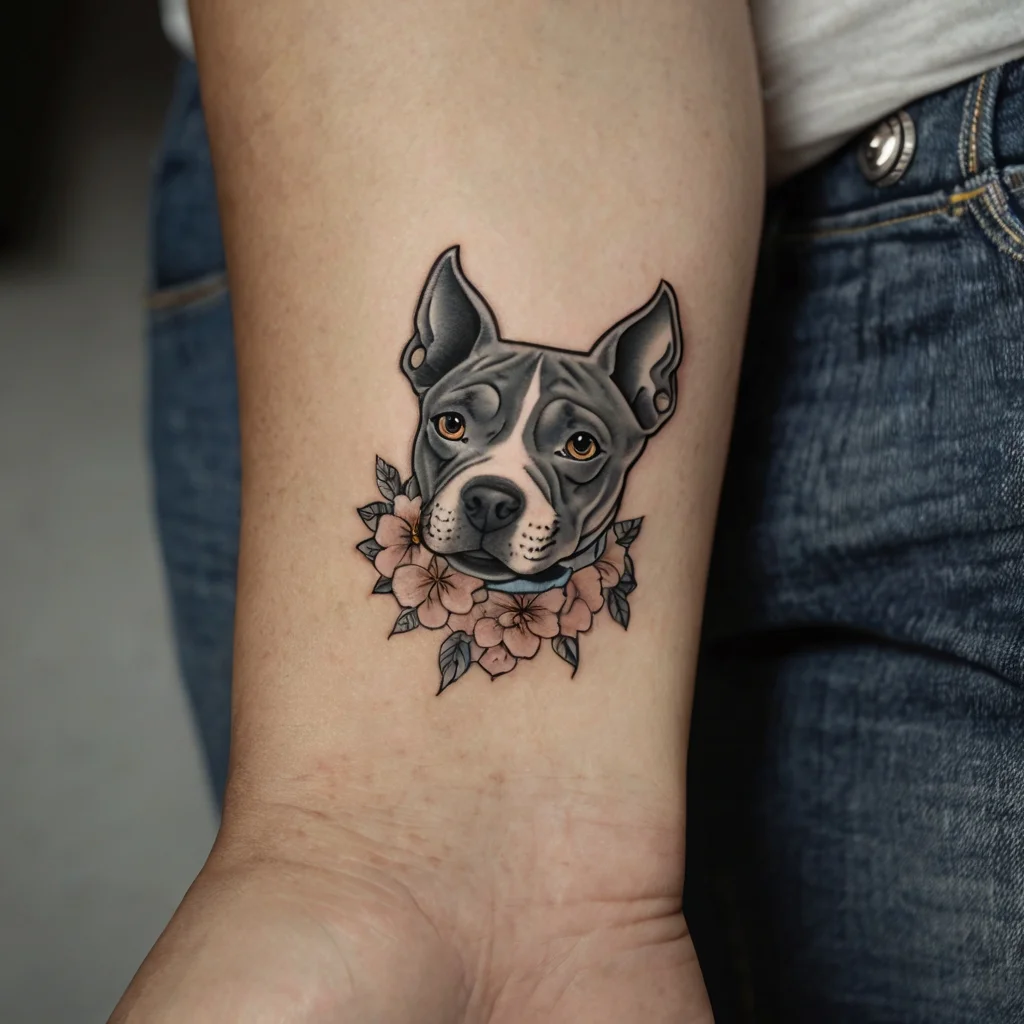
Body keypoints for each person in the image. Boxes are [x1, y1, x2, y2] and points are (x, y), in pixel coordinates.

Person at [113, 1, 1024, 1020]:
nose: (497, 482)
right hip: (351, 155)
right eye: (460, 425)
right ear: (427, 364)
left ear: (645, 400)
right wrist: (348, 849)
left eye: (577, 444)